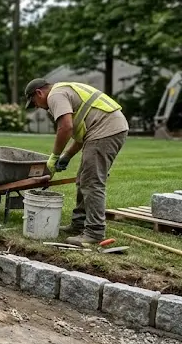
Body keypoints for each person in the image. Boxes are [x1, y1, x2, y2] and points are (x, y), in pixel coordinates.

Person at [23, 78, 129, 246]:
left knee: (92, 181)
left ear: (39, 93)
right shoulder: (64, 92)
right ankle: (79, 224)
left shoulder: (55, 95)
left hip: (105, 130)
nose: (36, 106)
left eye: (34, 102)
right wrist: (67, 156)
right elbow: (80, 135)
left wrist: (55, 156)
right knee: (83, 178)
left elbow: (66, 127)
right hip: (104, 129)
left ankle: (94, 232)